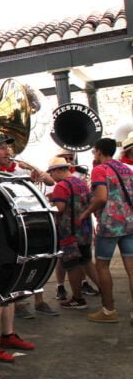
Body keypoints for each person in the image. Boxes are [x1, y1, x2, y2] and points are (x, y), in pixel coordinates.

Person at [0, 131, 38, 361]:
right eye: (2, 148)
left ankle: (8, 334)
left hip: (12, 236)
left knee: (12, 288)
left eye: (7, 147)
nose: (7, 152)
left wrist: (34, 174)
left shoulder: (14, 171)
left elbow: (51, 182)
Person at [79, 137, 133, 323]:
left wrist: (86, 213)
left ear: (99, 152)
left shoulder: (99, 170)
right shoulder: (126, 168)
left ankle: (109, 310)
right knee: (132, 269)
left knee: (102, 266)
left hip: (109, 225)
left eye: (95, 151)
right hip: (129, 222)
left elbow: (101, 197)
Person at [46, 157, 100, 309]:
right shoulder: (81, 183)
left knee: (72, 265)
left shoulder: (61, 186)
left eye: (51, 173)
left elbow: (60, 208)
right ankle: (104, 288)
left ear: (57, 171)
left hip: (69, 232)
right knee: (87, 261)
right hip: (85, 230)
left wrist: (50, 203)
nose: (51, 176)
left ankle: (78, 298)